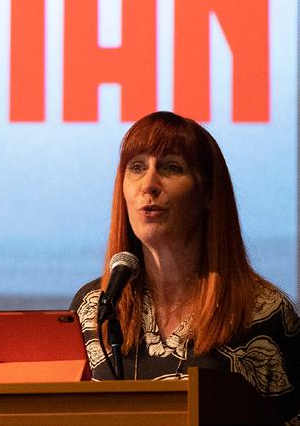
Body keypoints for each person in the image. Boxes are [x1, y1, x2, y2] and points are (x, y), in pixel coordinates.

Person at [70, 111, 299, 424]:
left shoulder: (264, 312)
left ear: (207, 193)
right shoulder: (94, 307)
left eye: (171, 168)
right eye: (136, 167)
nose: (148, 184)